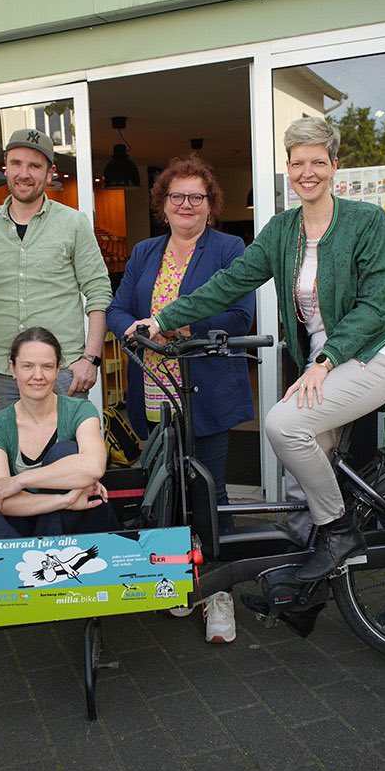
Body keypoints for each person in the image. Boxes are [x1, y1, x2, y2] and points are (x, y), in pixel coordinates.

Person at [127, 118, 385, 581]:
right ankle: (309, 580)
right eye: (298, 162)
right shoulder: (283, 229)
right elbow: (229, 284)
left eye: (318, 161)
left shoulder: (366, 220)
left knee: (282, 424)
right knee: (302, 479)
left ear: (333, 165)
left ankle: (339, 532)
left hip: (377, 352)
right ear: (287, 168)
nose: (308, 171)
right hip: (324, 362)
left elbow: (374, 305)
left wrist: (324, 361)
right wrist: (163, 319)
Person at [107, 154, 255, 643]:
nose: (187, 204)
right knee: (166, 492)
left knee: (208, 492)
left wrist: (182, 325)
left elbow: (240, 318)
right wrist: (128, 327)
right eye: (177, 197)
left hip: (204, 393)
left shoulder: (229, 247)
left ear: (210, 205)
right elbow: (117, 307)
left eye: (197, 196)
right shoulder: (146, 251)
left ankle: (220, 597)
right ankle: (176, 583)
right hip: (150, 392)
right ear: (162, 205)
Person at [0, 128, 112, 412]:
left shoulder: (74, 223)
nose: (24, 173)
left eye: (34, 166)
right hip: (1, 375)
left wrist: (91, 358)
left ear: (49, 173)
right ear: (6, 167)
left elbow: (98, 292)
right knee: (8, 456)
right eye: (16, 163)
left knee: (67, 455)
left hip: (62, 372)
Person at [0, 328, 116, 535]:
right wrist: (64, 500)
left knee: (65, 451)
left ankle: (42, 557)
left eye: (47, 366)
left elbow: (93, 467)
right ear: (13, 369)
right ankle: (45, 551)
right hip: (34, 520)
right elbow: (0, 499)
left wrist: (19, 481)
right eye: (27, 366)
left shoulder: (79, 410)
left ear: (58, 369)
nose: (38, 376)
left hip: (83, 526)